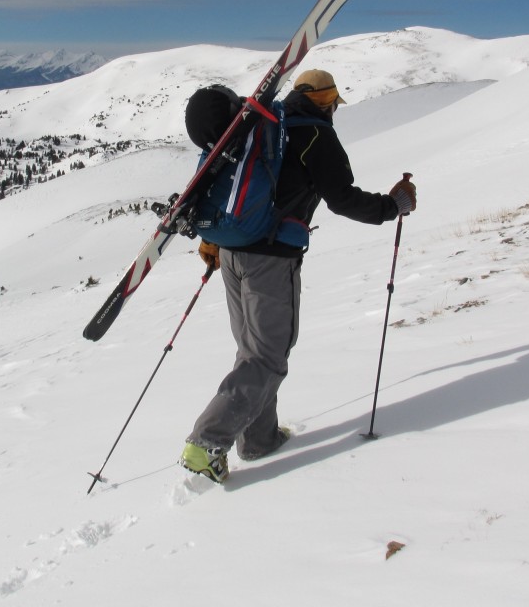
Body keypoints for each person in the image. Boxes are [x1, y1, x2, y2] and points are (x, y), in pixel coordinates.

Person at [179, 69, 417, 483]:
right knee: (268, 356)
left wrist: (214, 242)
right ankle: (207, 442)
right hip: (269, 260)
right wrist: (391, 207)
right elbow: (342, 199)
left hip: (231, 252)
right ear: (326, 101)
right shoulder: (314, 136)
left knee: (252, 350)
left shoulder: (260, 126)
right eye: (334, 102)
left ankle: (260, 438)